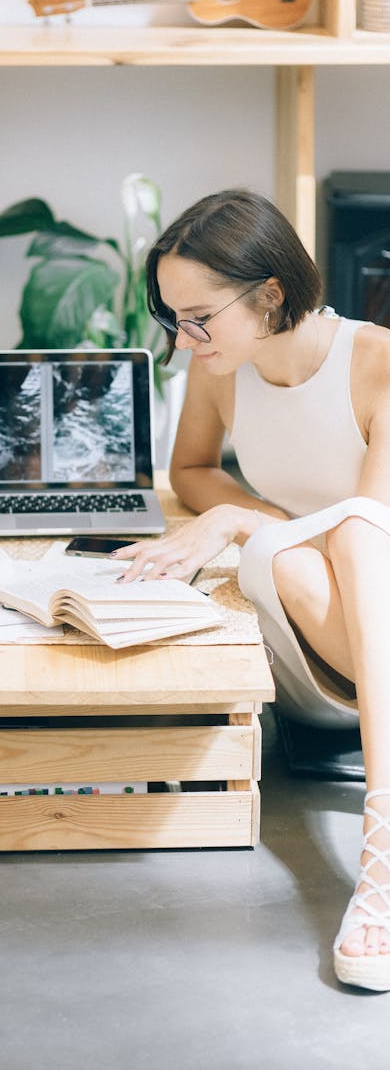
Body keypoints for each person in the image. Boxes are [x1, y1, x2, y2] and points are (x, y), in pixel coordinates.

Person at [112, 188, 390, 992]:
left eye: (200, 316)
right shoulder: (222, 369)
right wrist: (250, 517)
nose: (185, 338)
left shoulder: (376, 363)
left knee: (341, 534)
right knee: (281, 549)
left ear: (270, 293)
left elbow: (371, 528)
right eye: (173, 318)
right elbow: (189, 470)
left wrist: (236, 525)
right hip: (316, 661)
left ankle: (380, 849)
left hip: (376, 628)